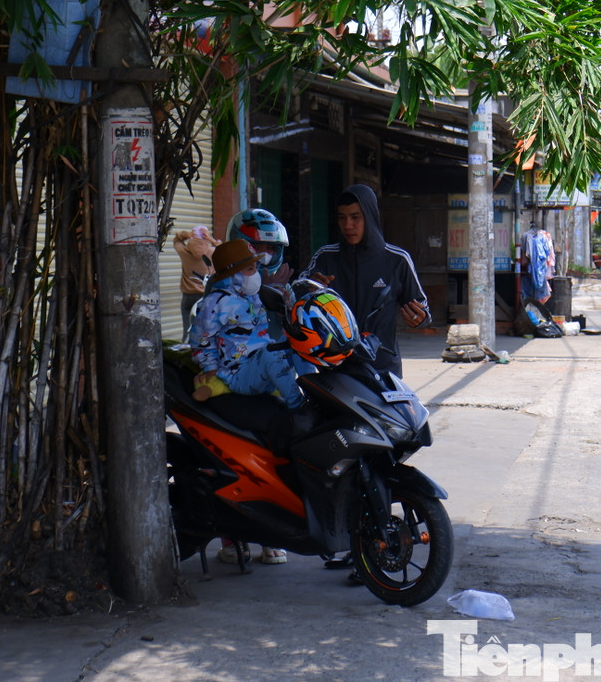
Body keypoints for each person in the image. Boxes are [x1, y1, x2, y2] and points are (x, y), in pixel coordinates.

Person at [190, 239, 315, 567]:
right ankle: (297, 406)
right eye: (249, 268)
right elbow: (200, 342)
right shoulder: (214, 303)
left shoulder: (253, 299)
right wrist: (214, 375)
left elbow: (264, 337)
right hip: (236, 373)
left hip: (256, 363)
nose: (256, 273)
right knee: (276, 362)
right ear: (232, 273)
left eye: (256, 268)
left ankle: (310, 396)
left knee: (290, 349)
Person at [303, 184, 429, 376]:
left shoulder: (397, 260)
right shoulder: (325, 258)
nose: (348, 226)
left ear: (370, 216)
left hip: (384, 368)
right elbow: (297, 299)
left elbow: (422, 309)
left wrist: (419, 318)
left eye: (355, 217)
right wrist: (308, 290)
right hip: (335, 369)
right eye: (342, 218)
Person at [172, 225, 216, 337]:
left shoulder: (184, 251)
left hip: (188, 297)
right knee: (205, 330)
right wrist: (211, 240)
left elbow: (176, 239)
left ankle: (187, 350)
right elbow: (225, 249)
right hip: (206, 297)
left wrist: (186, 235)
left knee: (187, 330)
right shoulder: (212, 252)